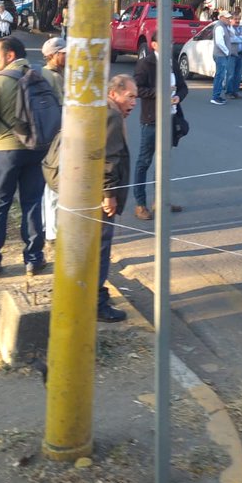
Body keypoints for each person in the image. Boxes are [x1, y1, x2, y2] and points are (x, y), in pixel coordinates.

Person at [0, 36, 46, 278]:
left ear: (10, 55)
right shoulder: (40, 77)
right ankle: (34, 259)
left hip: (4, 152)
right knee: (32, 204)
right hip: (36, 150)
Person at [133, 30, 186, 219]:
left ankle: (160, 201)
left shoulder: (172, 63)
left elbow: (182, 86)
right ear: (154, 45)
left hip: (171, 117)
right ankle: (140, 204)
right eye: (164, 42)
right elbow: (137, 89)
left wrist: (178, 96)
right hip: (152, 120)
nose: (169, 46)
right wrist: (160, 93)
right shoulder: (145, 64)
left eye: (170, 42)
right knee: (144, 162)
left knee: (163, 163)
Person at [99, 74, 138, 321]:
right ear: (114, 93)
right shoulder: (111, 115)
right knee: (102, 247)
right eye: (130, 96)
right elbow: (109, 159)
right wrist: (109, 195)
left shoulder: (107, 110)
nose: (134, 102)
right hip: (102, 196)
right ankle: (97, 303)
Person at [41, 36, 67, 242]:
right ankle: (52, 232)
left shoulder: (55, 73)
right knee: (53, 186)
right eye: (63, 53)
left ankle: (47, 226)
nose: (66, 56)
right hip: (54, 136)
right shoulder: (52, 77)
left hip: (52, 135)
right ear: (52, 55)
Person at [210, 11, 232, 105]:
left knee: (220, 75)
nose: (229, 20)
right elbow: (219, 42)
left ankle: (217, 95)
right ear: (221, 17)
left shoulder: (224, 26)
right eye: (227, 18)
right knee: (220, 76)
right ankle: (215, 97)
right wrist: (227, 52)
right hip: (220, 55)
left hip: (221, 55)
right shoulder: (219, 27)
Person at [226, 12, 242, 99]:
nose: (237, 21)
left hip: (240, 54)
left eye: (239, 19)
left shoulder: (241, 28)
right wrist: (240, 38)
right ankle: (229, 92)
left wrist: (238, 37)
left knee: (238, 75)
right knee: (231, 74)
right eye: (235, 19)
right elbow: (231, 39)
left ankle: (235, 92)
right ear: (231, 20)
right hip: (232, 54)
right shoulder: (228, 28)